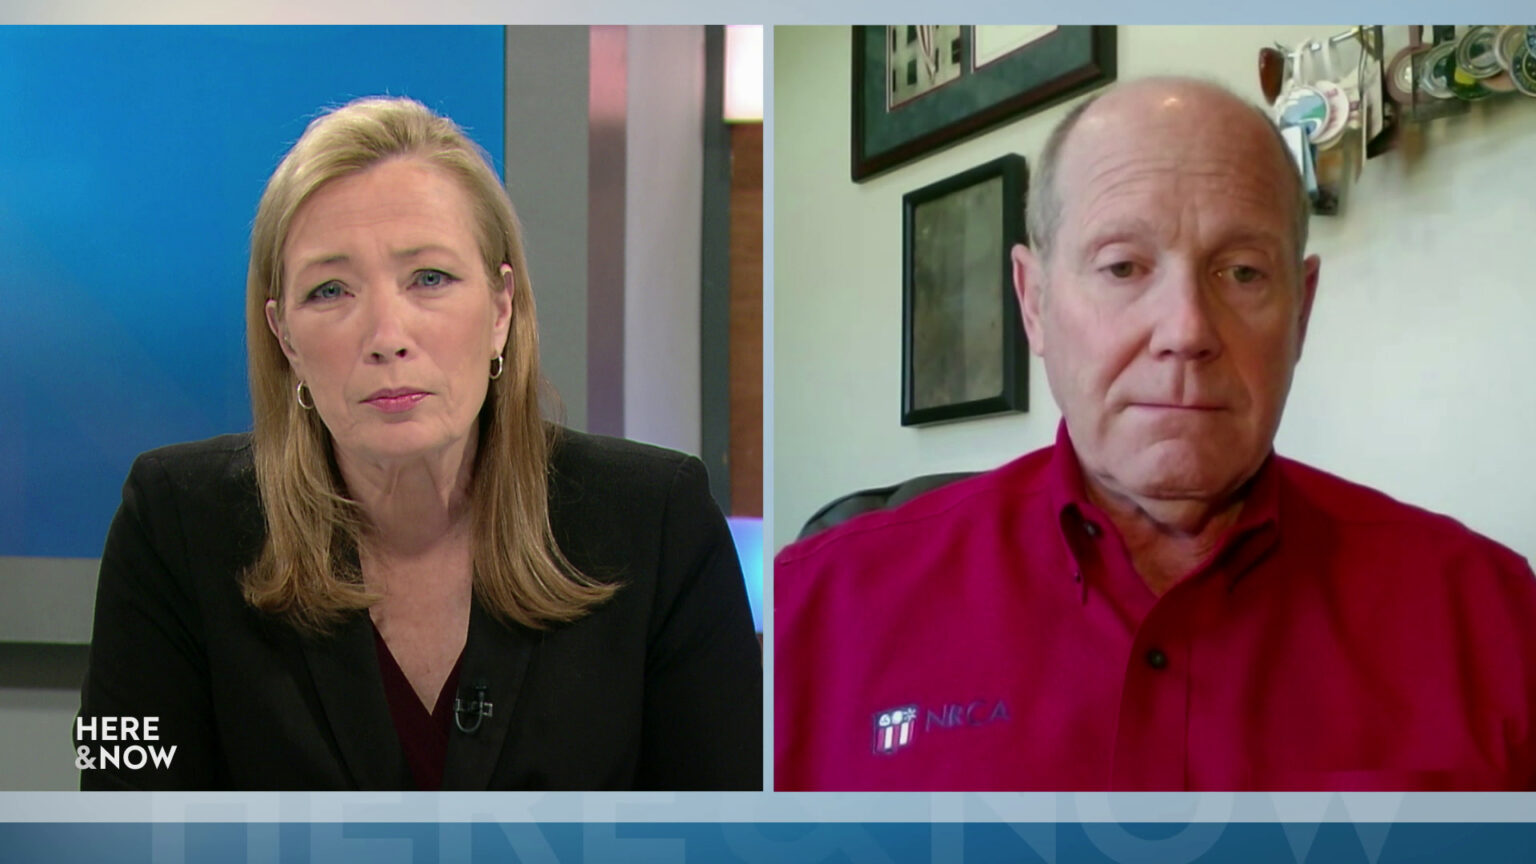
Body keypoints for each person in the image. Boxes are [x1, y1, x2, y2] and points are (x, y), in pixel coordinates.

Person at [774, 78, 1536, 791]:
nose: (1186, 330)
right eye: (1122, 267)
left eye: (1241, 273)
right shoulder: (816, 614)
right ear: (1033, 303)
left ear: (1301, 313)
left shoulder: (1492, 618)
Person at [76, 97, 762, 791]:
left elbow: (717, 834)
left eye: (429, 279)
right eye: (330, 290)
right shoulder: (173, 524)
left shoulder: (658, 523)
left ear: (500, 309)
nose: (386, 335)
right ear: (285, 338)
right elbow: (117, 826)